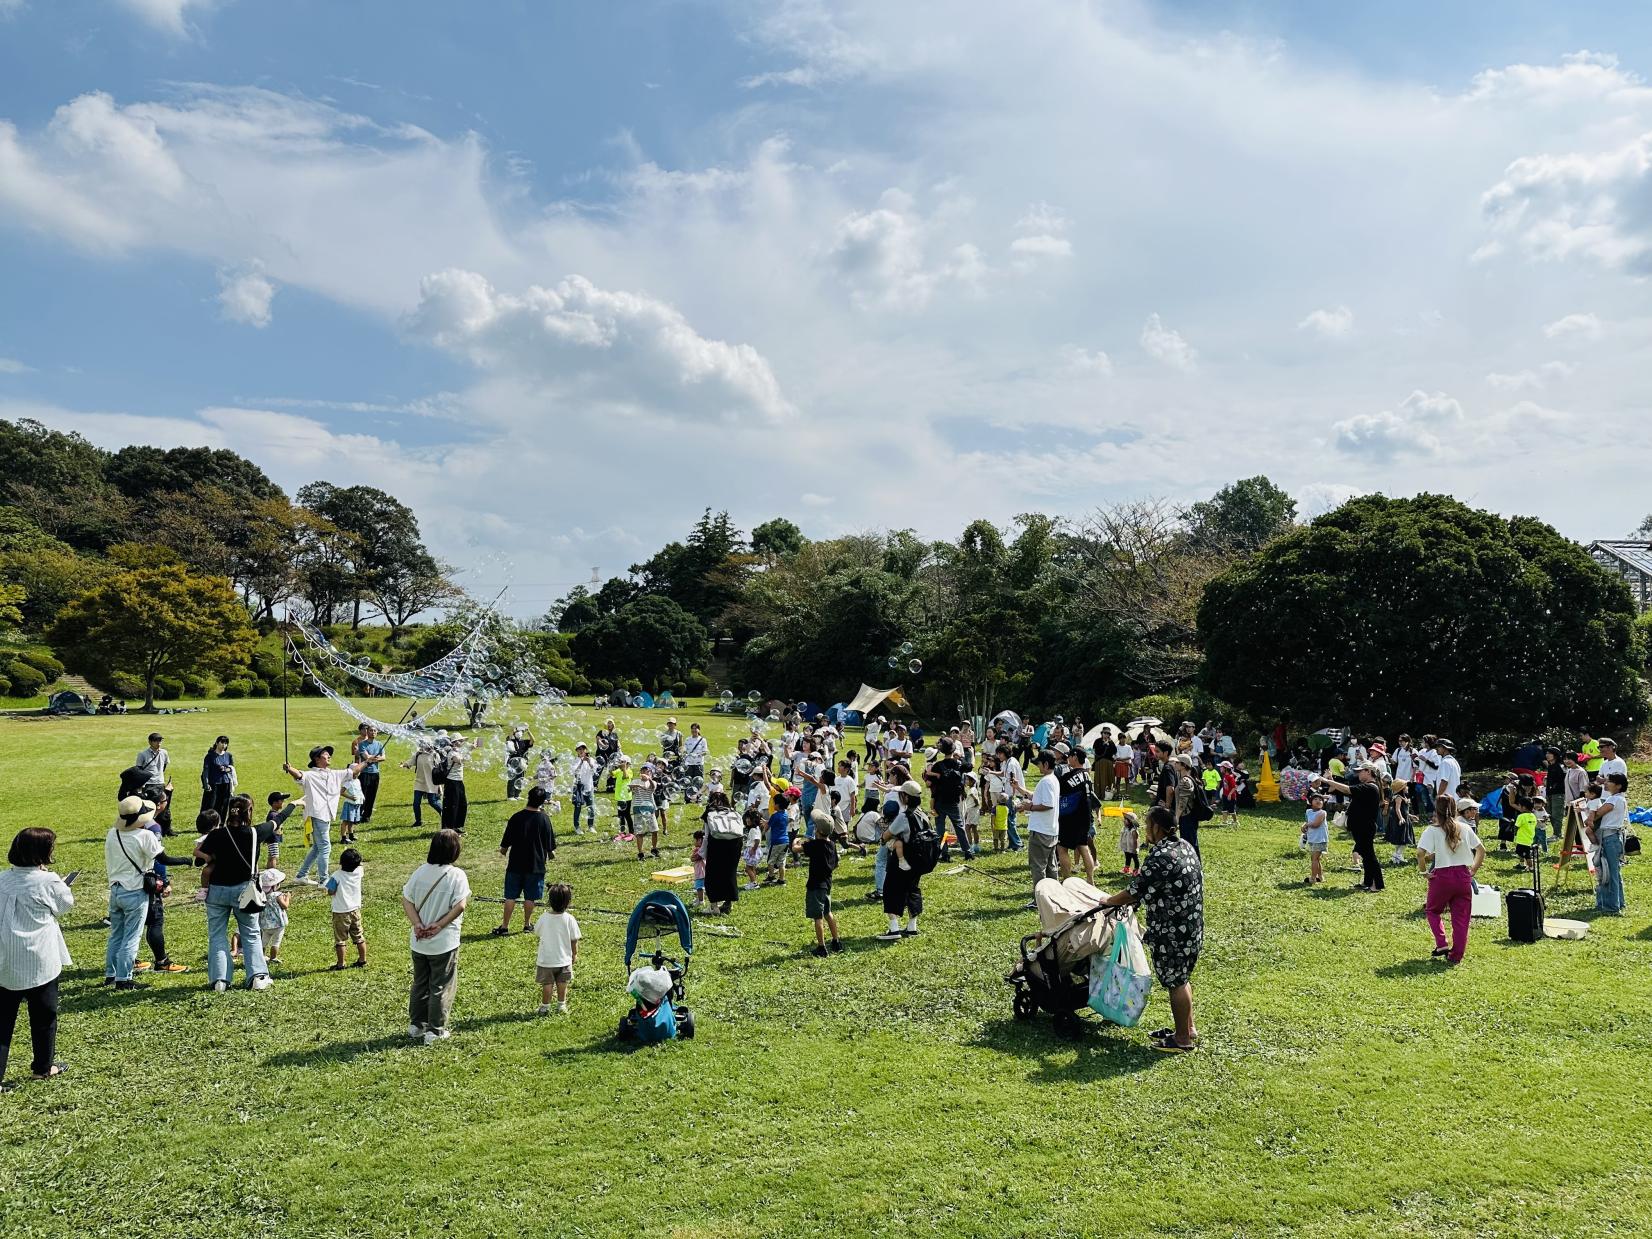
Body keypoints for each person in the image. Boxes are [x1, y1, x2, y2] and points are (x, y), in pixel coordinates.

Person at [1100, 805, 1203, 1052]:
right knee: (1181, 977)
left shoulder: (1160, 856)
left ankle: (1182, 1041)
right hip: (1190, 927)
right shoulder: (1185, 847)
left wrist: (1108, 901)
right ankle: (1187, 1028)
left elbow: (1136, 890)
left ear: (1157, 827)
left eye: (1148, 826)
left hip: (1172, 931)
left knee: (1175, 982)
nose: (1146, 830)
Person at [0, 828, 72, 1090]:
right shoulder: (49, 881)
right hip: (39, 959)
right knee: (44, 1017)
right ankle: (43, 1067)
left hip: (5, 958)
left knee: (3, 1022)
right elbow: (64, 906)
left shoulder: (2, 879)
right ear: (42, 853)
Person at [104, 796, 195, 990]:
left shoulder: (113, 833)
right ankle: (124, 979)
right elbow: (164, 859)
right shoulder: (145, 836)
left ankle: (111, 974)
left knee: (116, 935)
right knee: (131, 937)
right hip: (135, 891)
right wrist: (186, 860)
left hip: (116, 890)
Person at [193, 804, 273, 993]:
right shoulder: (255, 833)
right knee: (251, 933)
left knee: (217, 935)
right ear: (249, 812)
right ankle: (257, 977)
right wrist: (295, 804)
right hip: (243, 891)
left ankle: (219, 980)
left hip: (217, 891)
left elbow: (199, 859)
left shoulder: (216, 834)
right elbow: (276, 821)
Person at [402, 830, 472, 1044]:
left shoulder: (420, 872)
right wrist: (439, 925)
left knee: (420, 983)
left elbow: (407, 900)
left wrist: (418, 924)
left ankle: (416, 1025)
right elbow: (460, 905)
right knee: (441, 985)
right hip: (444, 942)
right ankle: (435, 1030)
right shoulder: (456, 875)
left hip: (419, 941)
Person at [284, 744, 368, 886]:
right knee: (325, 847)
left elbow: (353, 772)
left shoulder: (334, 774)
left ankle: (301, 875)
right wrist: (289, 768)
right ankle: (324, 880)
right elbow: (299, 775)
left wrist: (367, 762)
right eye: (325, 754)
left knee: (318, 847)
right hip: (317, 814)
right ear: (317, 759)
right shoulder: (310, 775)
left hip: (326, 815)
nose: (329, 756)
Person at [1416, 797, 1485, 963]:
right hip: (1462, 876)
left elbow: (1420, 853)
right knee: (1461, 919)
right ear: (1455, 809)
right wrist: (1473, 869)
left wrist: (1424, 871)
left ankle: (1441, 943)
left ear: (1436, 810)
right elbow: (1481, 850)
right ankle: (1456, 956)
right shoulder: (1465, 828)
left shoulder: (1432, 830)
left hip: (1442, 876)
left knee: (1433, 910)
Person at [494, 787, 555, 934]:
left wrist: (503, 851)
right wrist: (551, 855)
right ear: (542, 802)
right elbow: (550, 847)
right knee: (530, 897)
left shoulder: (516, 817)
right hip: (536, 866)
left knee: (510, 896)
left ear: (528, 797)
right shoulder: (545, 819)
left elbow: (505, 843)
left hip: (515, 864)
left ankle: (504, 926)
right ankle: (527, 925)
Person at [1318, 762, 1384, 892]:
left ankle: (1377, 884)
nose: (1358, 773)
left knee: (1369, 856)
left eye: (1360, 771)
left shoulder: (1370, 787)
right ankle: (1367, 881)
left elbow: (1347, 789)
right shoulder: (1366, 787)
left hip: (1365, 827)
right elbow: (1345, 791)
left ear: (1368, 772)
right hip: (1361, 827)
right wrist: (1331, 780)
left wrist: (1325, 780)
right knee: (1366, 855)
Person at [876, 781, 928, 940]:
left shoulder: (904, 817)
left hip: (901, 860)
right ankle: (912, 927)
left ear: (905, 796)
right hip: (918, 861)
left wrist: (884, 838)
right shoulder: (922, 814)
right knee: (912, 891)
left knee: (891, 890)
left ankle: (894, 929)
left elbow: (886, 836)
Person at [1016, 751, 1062, 908]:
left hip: (1041, 831)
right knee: (1051, 866)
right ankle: (1054, 896)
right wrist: (1019, 788)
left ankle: (1040, 901)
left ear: (1046, 764)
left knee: (1038, 867)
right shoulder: (1052, 780)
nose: (1037, 766)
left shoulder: (1046, 781)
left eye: (1039, 763)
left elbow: (1048, 804)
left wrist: (1030, 807)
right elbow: (1037, 796)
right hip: (1050, 830)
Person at [1586, 772, 1630, 915]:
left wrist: (1590, 812)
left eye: (1610, 781)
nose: (1606, 783)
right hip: (1612, 837)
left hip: (1610, 838)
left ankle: (1611, 906)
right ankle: (1618, 902)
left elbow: (1598, 813)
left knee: (1608, 872)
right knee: (1613, 871)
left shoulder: (1614, 799)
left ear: (1618, 786)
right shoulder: (1618, 798)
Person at [533, 883, 580, 1015]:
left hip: (546, 959)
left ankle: (545, 1007)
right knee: (562, 982)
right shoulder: (570, 919)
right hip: (564, 959)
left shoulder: (544, 917)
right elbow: (574, 939)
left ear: (550, 901)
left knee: (547, 984)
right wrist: (574, 954)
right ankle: (561, 1005)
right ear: (568, 902)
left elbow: (537, 931)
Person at [801, 819, 843, 957]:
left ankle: (821, 947)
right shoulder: (832, 844)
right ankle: (836, 942)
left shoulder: (814, 845)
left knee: (817, 917)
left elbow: (795, 849)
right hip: (826, 884)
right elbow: (836, 864)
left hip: (815, 885)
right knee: (827, 913)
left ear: (818, 831)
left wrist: (797, 841)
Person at [1055, 745, 1097, 883]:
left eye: (1070, 756)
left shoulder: (1068, 777)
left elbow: (1057, 791)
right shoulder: (1087, 775)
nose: (1068, 758)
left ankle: (1067, 880)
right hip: (1086, 816)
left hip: (1071, 817)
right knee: (1083, 847)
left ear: (1074, 757)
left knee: (1062, 848)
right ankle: (1090, 880)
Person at [700, 791, 743, 914]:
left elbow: (706, 836)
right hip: (735, 843)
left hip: (717, 844)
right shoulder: (732, 811)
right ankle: (728, 903)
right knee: (730, 873)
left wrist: (701, 853)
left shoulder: (710, 812)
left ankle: (714, 907)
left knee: (712, 874)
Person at [404, 742, 445, 830]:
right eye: (422, 744)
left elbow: (440, 769)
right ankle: (418, 821)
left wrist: (439, 785)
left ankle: (445, 816)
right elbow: (411, 761)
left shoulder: (434, 755)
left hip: (431, 782)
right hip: (420, 782)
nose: (424, 746)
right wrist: (405, 764)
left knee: (433, 802)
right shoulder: (418, 754)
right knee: (416, 803)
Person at [352, 725, 386, 823]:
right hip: (365, 772)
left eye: (375, 731)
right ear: (367, 732)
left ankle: (367, 816)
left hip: (375, 773)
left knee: (372, 795)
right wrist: (375, 757)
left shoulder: (379, 744)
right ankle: (358, 815)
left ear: (377, 732)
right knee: (362, 795)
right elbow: (366, 757)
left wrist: (374, 758)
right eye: (371, 730)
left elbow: (384, 757)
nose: (373, 732)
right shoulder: (362, 744)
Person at [257, 869, 290, 966]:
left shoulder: (261, 895)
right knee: (276, 941)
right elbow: (285, 906)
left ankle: (261, 956)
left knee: (263, 941)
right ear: (274, 885)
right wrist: (287, 898)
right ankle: (273, 957)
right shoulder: (277, 895)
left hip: (265, 924)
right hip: (278, 924)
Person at [199, 735, 235, 821]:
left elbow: (232, 768)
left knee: (223, 804)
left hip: (225, 783)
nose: (224, 745)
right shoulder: (210, 756)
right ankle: (206, 823)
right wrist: (206, 783)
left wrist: (226, 769)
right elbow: (206, 770)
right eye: (222, 742)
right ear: (217, 743)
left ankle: (220, 823)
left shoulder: (228, 755)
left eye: (226, 743)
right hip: (213, 784)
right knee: (210, 805)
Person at [439, 737, 470, 835]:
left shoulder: (459, 752)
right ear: (454, 742)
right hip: (451, 782)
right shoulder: (452, 753)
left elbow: (466, 760)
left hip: (459, 781)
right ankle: (449, 829)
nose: (462, 742)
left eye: (462, 741)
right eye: (460, 741)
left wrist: (469, 751)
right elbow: (459, 760)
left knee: (462, 804)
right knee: (452, 806)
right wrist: (470, 750)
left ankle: (457, 827)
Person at [258, 791, 294, 870]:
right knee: (274, 857)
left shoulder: (274, 813)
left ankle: (269, 872)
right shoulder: (273, 815)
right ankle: (273, 873)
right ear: (274, 803)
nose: (283, 803)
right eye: (281, 801)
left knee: (271, 856)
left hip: (272, 839)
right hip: (273, 839)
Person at [631, 764, 660, 860]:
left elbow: (651, 787)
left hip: (649, 808)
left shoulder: (653, 782)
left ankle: (654, 849)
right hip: (638, 808)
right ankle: (640, 853)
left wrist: (649, 779)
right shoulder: (635, 781)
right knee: (639, 832)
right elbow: (630, 788)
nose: (645, 772)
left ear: (651, 774)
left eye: (647, 771)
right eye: (643, 771)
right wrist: (636, 786)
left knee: (654, 830)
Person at [1301, 791, 1329, 884]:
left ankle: (1313, 878)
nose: (1318, 801)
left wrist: (1307, 825)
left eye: (1321, 800)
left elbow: (1316, 824)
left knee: (1314, 858)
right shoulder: (1308, 811)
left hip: (1320, 839)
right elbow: (1308, 822)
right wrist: (1304, 826)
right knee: (1316, 859)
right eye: (1315, 799)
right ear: (1310, 802)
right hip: (1312, 838)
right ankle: (1320, 877)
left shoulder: (1322, 813)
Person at [569, 743, 597, 834]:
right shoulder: (575, 761)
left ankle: (591, 826)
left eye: (583, 749)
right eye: (579, 749)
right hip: (579, 788)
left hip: (589, 787)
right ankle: (577, 827)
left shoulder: (591, 760)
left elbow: (595, 771)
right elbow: (574, 771)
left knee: (591, 807)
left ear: (586, 750)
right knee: (578, 808)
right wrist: (581, 762)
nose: (581, 751)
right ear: (576, 751)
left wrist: (588, 762)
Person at [765, 793, 792, 885]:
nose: (773, 805)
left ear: (777, 805)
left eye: (774, 803)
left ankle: (771, 876)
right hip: (785, 841)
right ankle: (781, 879)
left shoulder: (774, 815)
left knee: (770, 861)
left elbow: (767, 827)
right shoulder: (785, 814)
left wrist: (765, 824)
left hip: (776, 841)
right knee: (781, 861)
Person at [612, 756, 635, 842]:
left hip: (626, 797)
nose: (621, 764)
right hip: (619, 797)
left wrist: (624, 768)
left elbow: (625, 777)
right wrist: (611, 766)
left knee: (627, 815)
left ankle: (631, 833)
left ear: (628, 764)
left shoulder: (629, 771)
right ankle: (622, 832)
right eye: (620, 762)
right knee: (620, 815)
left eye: (623, 762)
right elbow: (611, 774)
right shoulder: (618, 771)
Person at [1119, 809, 1141, 876]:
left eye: (1126, 819)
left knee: (1135, 858)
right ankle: (1127, 868)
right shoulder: (1125, 828)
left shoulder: (1133, 830)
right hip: (1127, 846)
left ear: (1130, 821)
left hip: (1132, 847)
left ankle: (1136, 870)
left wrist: (1135, 849)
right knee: (1127, 857)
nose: (1124, 820)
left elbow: (1135, 840)